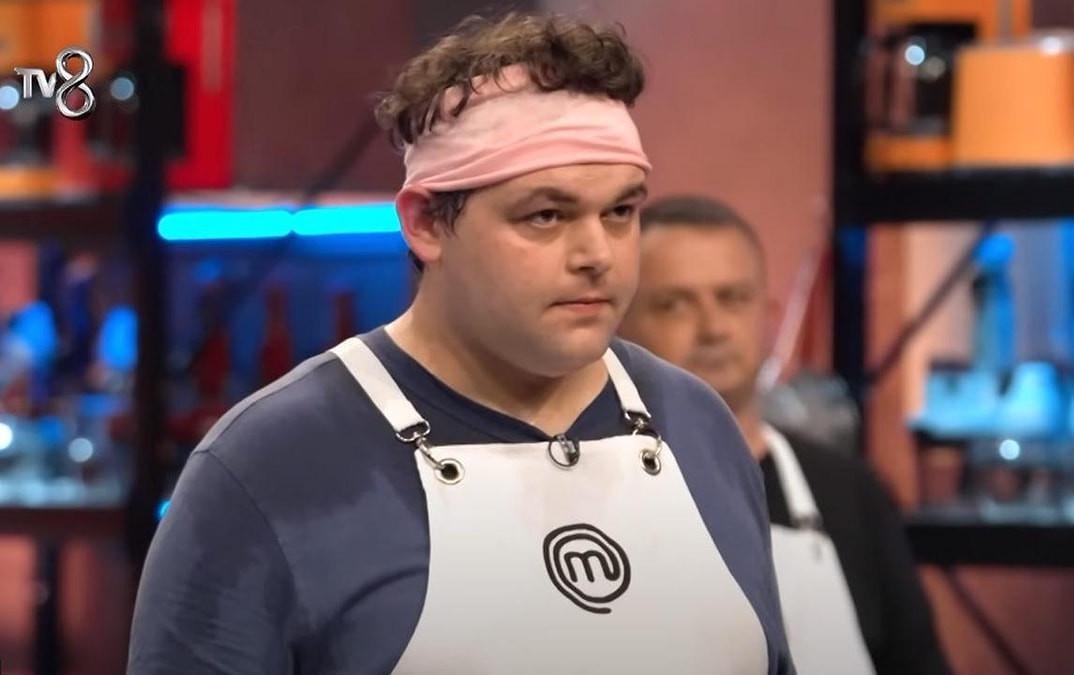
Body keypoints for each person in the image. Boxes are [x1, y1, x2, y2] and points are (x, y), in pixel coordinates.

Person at [129, 14, 794, 674]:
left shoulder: (697, 424)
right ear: (426, 223)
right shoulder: (271, 464)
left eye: (620, 211)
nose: (598, 254)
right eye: (546, 215)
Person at [619, 195, 951, 675]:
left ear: (770, 320)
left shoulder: (849, 492)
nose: (713, 328)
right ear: (620, 330)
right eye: (675, 305)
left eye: (733, 298)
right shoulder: (602, 494)